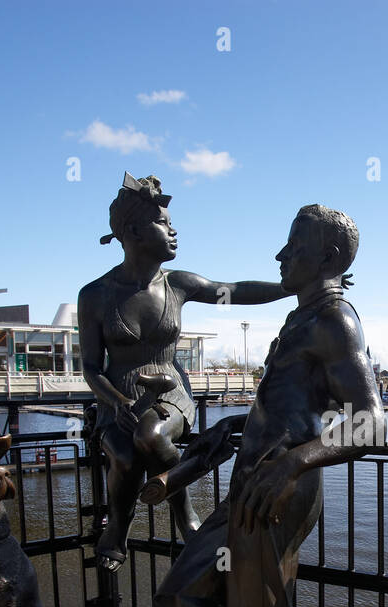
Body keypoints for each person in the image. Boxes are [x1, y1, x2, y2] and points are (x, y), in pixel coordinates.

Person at [128, 204, 383, 607]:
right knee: (197, 602)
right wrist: (238, 428)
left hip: (277, 490)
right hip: (255, 484)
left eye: (294, 243)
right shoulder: (303, 320)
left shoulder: (335, 321)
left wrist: (296, 459)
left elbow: (370, 424)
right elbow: (290, 411)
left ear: (329, 259)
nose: (279, 255)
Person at [77, 173, 291, 572]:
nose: (174, 232)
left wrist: (293, 286)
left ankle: (183, 510)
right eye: (164, 224)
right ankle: (119, 527)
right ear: (134, 231)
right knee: (123, 455)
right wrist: (117, 401)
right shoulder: (94, 295)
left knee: (149, 435)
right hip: (117, 397)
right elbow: (90, 368)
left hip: (167, 391)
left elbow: (234, 290)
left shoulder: (177, 284)